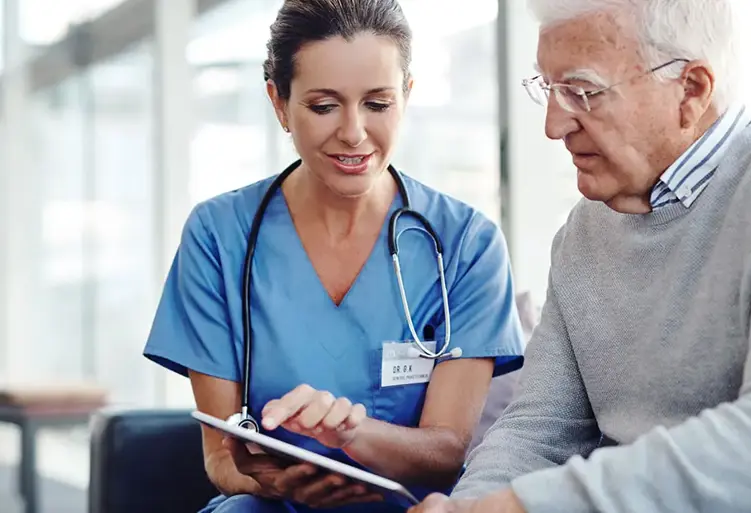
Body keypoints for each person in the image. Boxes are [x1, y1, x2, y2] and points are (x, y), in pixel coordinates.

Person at [142, 0, 526, 512]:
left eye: (378, 104)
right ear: (279, 104)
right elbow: (221, 457)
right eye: (324, 106)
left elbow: (446, 452)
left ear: (406, 97)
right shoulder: (219, 235)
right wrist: (271, 482)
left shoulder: (466, 243)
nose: (353, 132)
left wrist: (351, 432)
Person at [407, 0, 751, 512]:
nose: (554, 125)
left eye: (582, 91)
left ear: (691, 90)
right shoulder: (584, 232)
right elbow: (537, 431)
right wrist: (468, 506)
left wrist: (522, 506)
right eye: (549, 89)